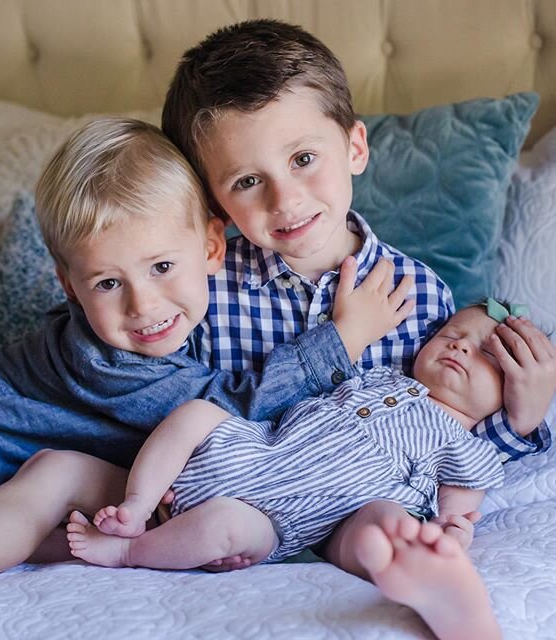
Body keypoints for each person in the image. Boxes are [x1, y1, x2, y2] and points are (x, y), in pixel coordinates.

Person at [0, 115, 411, 597]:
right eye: (108, 283)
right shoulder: (112, 360)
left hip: (27, 468)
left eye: (162, 267)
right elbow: (230, 410)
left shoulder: (222, 318)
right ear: (69, 286)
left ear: (213, 247)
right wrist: (342, 338)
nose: (143, 305)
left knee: (54, 506)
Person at [160, 18, 556, 572]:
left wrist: (521, 418)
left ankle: (424, 575)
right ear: (216, 203)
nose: (286, 199)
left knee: (385, 524)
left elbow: (447, 431)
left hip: (360, 511)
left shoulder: (415, 293)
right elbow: (176, 404)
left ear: (354, 147)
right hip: (240, 507)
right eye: (248, 181)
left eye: (302, 158)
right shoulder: (206, 293)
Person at [66, 302, 516, 640]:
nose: (459, 346)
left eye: (484, 354)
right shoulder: (378, 376)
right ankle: (138, 504)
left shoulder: (464, 446)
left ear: (510, 389)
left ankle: (429, 577)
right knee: (196, 412)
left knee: (386, 521)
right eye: (452, 334)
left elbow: (460, 509)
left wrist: (450, 531)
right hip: (254, 450)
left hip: (287, 522)